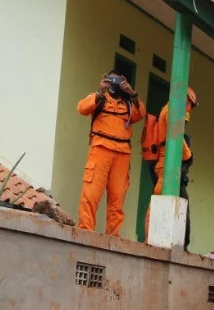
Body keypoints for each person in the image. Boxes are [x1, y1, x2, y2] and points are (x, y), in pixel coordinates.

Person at [76, 72, 144, 236]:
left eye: (118, 80)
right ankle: (86, 232)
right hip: (100, 151)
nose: (114, 84)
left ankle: (112, 237)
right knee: (91, 195)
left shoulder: (128, 104)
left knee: (117, 199)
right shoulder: (98, 98)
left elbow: (140, 114)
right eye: (111, 80)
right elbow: (82, 109)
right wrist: (100, 91)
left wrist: (132, 93)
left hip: (122, 155)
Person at [146, 87, 197, 248]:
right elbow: (175, 134)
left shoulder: (168, 110)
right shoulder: (171, 110)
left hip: (167, 163)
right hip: (166, 164)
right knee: (159, 203)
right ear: (186, 100)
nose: (188, 109)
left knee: (158, 202)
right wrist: (188, 156)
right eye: (190, 105)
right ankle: (153, 241)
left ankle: (152, 240)